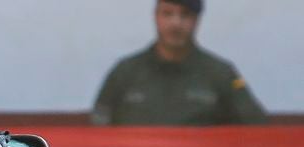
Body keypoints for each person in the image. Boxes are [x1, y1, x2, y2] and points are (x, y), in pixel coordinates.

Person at [92, 0, 267, 125]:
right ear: (156, 17)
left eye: (185, 15)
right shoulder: (125, 72)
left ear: (197, 20)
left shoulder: (220, 73)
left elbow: (256, 126)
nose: (176, 23)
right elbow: (98, 127)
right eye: (167, 13)